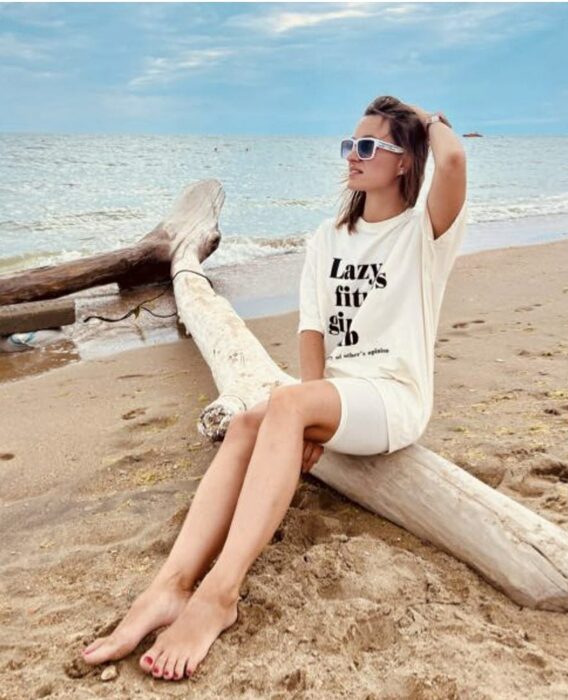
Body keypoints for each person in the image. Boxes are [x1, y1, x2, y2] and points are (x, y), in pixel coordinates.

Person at [81, 95, 468, 681]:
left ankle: (219, 595)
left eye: (368, 146)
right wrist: (308, 418)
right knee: (244, 423)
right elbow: (312, 331)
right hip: (339, 397)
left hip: (393, 397)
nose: (353, 155)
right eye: (349, 145)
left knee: (282, 404)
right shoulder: (328, 237)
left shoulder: (422, 232)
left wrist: (428, 120)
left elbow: (454, 162)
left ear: (404, 162)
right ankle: (169, 586)